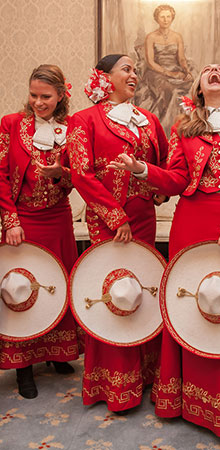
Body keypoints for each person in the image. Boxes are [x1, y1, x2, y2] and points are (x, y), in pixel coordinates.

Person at [108, 63, 220, 437]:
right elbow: (177, 179)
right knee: (187, 302)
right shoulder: (183, 128)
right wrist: (142, 170)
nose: (214, 71)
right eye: (207, 70)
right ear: (198, 88)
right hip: (191, 222)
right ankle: (183, 399)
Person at [66, 53, 168, 414]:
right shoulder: (83, 120)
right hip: (108, 220)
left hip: (144, 218)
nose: (134, 74)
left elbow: (163, 166)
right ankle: (114, 383)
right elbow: (80, 174)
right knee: (113, 289)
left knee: (143, 288)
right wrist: (115, 215)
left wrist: (159, 191)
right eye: (126, 68)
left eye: (136, 70)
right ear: (103, 77)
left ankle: (147, 376)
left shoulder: (149, 120)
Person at [0, 64, 82, 398]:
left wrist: (62, 172)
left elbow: (79, 178)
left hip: (58, 218)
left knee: (57, 287)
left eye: (45, 96)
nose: (38, 102)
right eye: (33, 95)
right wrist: (10, 220)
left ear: (61, 95)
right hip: (24, 222)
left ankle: (56, 354)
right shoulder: (10, 124)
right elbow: (1, 175)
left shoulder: (72, 128)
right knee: (22, 289)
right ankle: (24, 367)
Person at [134, 3, 194, 135]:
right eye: (162, 17)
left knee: (190, 86)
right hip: (156, 72)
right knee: (170, 89)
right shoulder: (151, 37)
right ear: (157, 19)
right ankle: (166, 129)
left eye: (168, 16)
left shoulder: (177, 36)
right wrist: (169, 73)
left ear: (172, 18)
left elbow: (182, 59)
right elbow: (150, 62)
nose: (166, 20)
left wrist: (186, 71)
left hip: (175, 69)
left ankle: (183, 128)